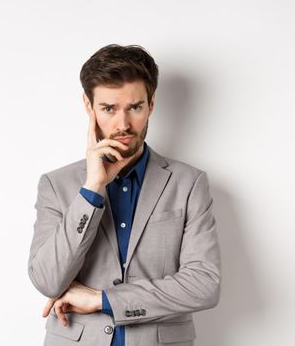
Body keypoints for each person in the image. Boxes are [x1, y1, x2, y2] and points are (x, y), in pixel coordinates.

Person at [28, 44, 221, 346]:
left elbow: (203, 285)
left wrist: (102, 299)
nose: (123, 125)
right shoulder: (57, 185)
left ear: (152, 103)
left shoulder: (189, 183)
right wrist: (91, 189)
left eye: (135, 107)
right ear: (88, 106)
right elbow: (48, 280)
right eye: (108, 109)